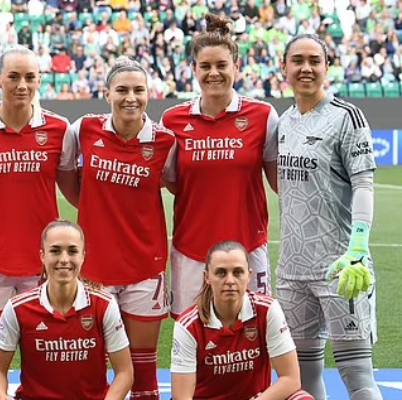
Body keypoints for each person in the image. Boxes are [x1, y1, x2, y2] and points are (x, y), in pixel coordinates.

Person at [0, 45, 79, 399]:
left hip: (43, 265)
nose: (22, 85)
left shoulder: (60, 129)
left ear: (39, 80)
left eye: (29, 77)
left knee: (45, 364)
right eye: (13, 77)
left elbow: (76, 194)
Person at [276, 34, 383, 400]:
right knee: (303, 377)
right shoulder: (284, 122)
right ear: (284, 67)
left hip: (341, 266)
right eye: (297, 60)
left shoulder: (346, 117)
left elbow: (364, 184)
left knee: (357, 375)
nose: (306, 68)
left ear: (327, 67)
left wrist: (357, 248)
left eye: (314, 60)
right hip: (292, 271)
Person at [160, 14, 280, 319]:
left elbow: (279, 181)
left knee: (252, 331)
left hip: (248, 248)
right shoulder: (172, 120)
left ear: (236, 67)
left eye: (222, 65)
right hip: (192, 249)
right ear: (193, 70)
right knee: (192, 331)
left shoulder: (263, 116)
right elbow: (173, 182)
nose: (214, 73)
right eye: (205, 66)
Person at [71, 57, 176, 400]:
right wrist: (90, 207)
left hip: (145, 266)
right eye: (122, 90)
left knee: (143, 367)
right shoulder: (84, 129)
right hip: (95, 267)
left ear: (148, 94)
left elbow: (180, 186)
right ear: (107, 94)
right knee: (93, 363)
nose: (131, 97)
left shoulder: (165, 141)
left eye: (138, 90)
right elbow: (67, 178)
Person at [0, 220, 132, 400]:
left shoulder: (104, 305)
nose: (64, 259)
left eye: (72, 251)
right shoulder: (18, 308)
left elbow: (125, 372)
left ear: (83, 256)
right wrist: (1, 397)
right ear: (42, 256)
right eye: (55, 251)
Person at [171, 240, 315, 400]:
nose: (230, 281)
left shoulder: (267, 310)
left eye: (238, 272)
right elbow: (182, 397)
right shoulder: (188, 325)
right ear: (207, 277)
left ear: (249, 275)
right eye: (221, 273)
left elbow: (290, 379)